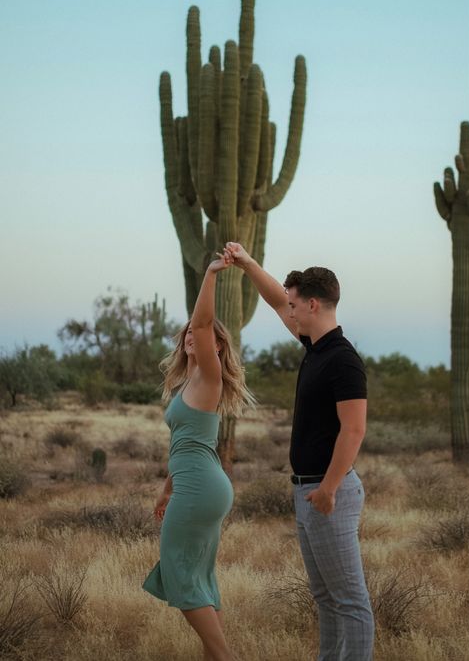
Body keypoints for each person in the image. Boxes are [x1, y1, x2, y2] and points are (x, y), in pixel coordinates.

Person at [226, 242, 374, 661]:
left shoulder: (343, 360)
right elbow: (276, 299)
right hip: (308, 492)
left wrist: (328, 489)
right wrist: (249, 264)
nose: (288, 312)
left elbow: (354, 429)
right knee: (326, 598)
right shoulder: (316, 347)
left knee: (351, 602)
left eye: (294, 306)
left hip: (332, 494)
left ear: (312, 304)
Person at [143, 251, 252, 661]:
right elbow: (185, 446)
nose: (193, 334)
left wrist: (210, 274)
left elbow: (204, 321)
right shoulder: (188, 382)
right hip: (196, 483)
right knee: (200, 577)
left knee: (179, 570)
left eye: (201, 334)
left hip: (201, 488)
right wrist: (165, 490)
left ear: (217, 347)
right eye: (187, 332)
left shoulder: (208, 376)